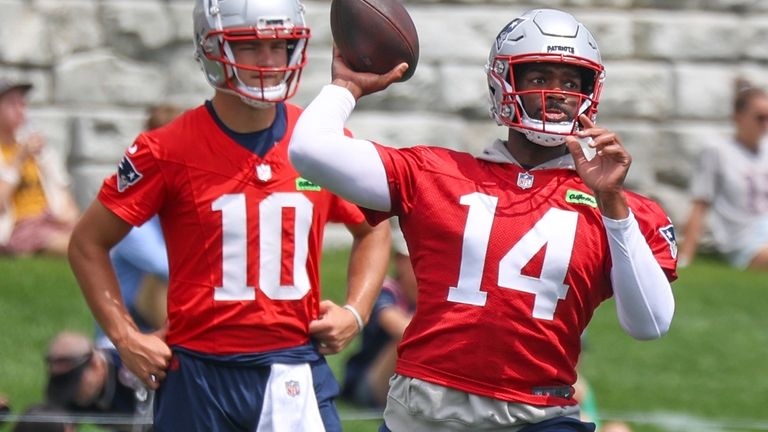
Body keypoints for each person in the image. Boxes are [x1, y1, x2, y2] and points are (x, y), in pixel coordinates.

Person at [289, 8, 677, 432]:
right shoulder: (435, 174)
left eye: (570, 81)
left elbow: (650, 324)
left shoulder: (616, 205)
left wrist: (612, 204)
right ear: (503, 82)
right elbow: (309, 150)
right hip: (424, 411)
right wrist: (345, 88)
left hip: (539, 415)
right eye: (539, 77)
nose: (559, 92)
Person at [67, 0, 390, 431]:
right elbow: (88, 243)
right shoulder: (166, 149)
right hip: (198, 373)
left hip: (292, 363)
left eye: (281, 47)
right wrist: (124, 336)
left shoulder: (318, 141)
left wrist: (356, 310)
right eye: (250, 47)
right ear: (211, 49)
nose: (270, 62)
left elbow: (373, 228)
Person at [94, 104, 184, 349]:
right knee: (162, 279)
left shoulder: (178, 207)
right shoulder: (132, 211)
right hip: (126, 340)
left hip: (159, 329)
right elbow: (168, 266)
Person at [678, 79, 768, 270]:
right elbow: (700, 204)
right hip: (744, 242)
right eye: (760, 117)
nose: (765, 124)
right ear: (738, 117)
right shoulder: (717, 151)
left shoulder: (765, 150)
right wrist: (685, 256)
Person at [0, 78, 79, 257]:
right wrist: (19, 158)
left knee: (95, 238)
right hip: (20, 229)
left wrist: (69, 215)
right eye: (12, 104)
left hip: (50, 220)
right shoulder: (17, 152)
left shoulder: (36, 149)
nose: (21, 110)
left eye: (22, 103)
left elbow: (62, 192)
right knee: (82, 249)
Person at [341, 223, 417, 409]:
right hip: (368, 381)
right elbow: (392, 322)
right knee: (407, 338)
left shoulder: (434, 294)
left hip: (409, 382)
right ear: (400, 261)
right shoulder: (386, 289)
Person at [44, 331, 151, 431]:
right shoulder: (69, 393)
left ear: (96, 365)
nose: (71, 394)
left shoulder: (136, 372)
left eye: (75, 382)